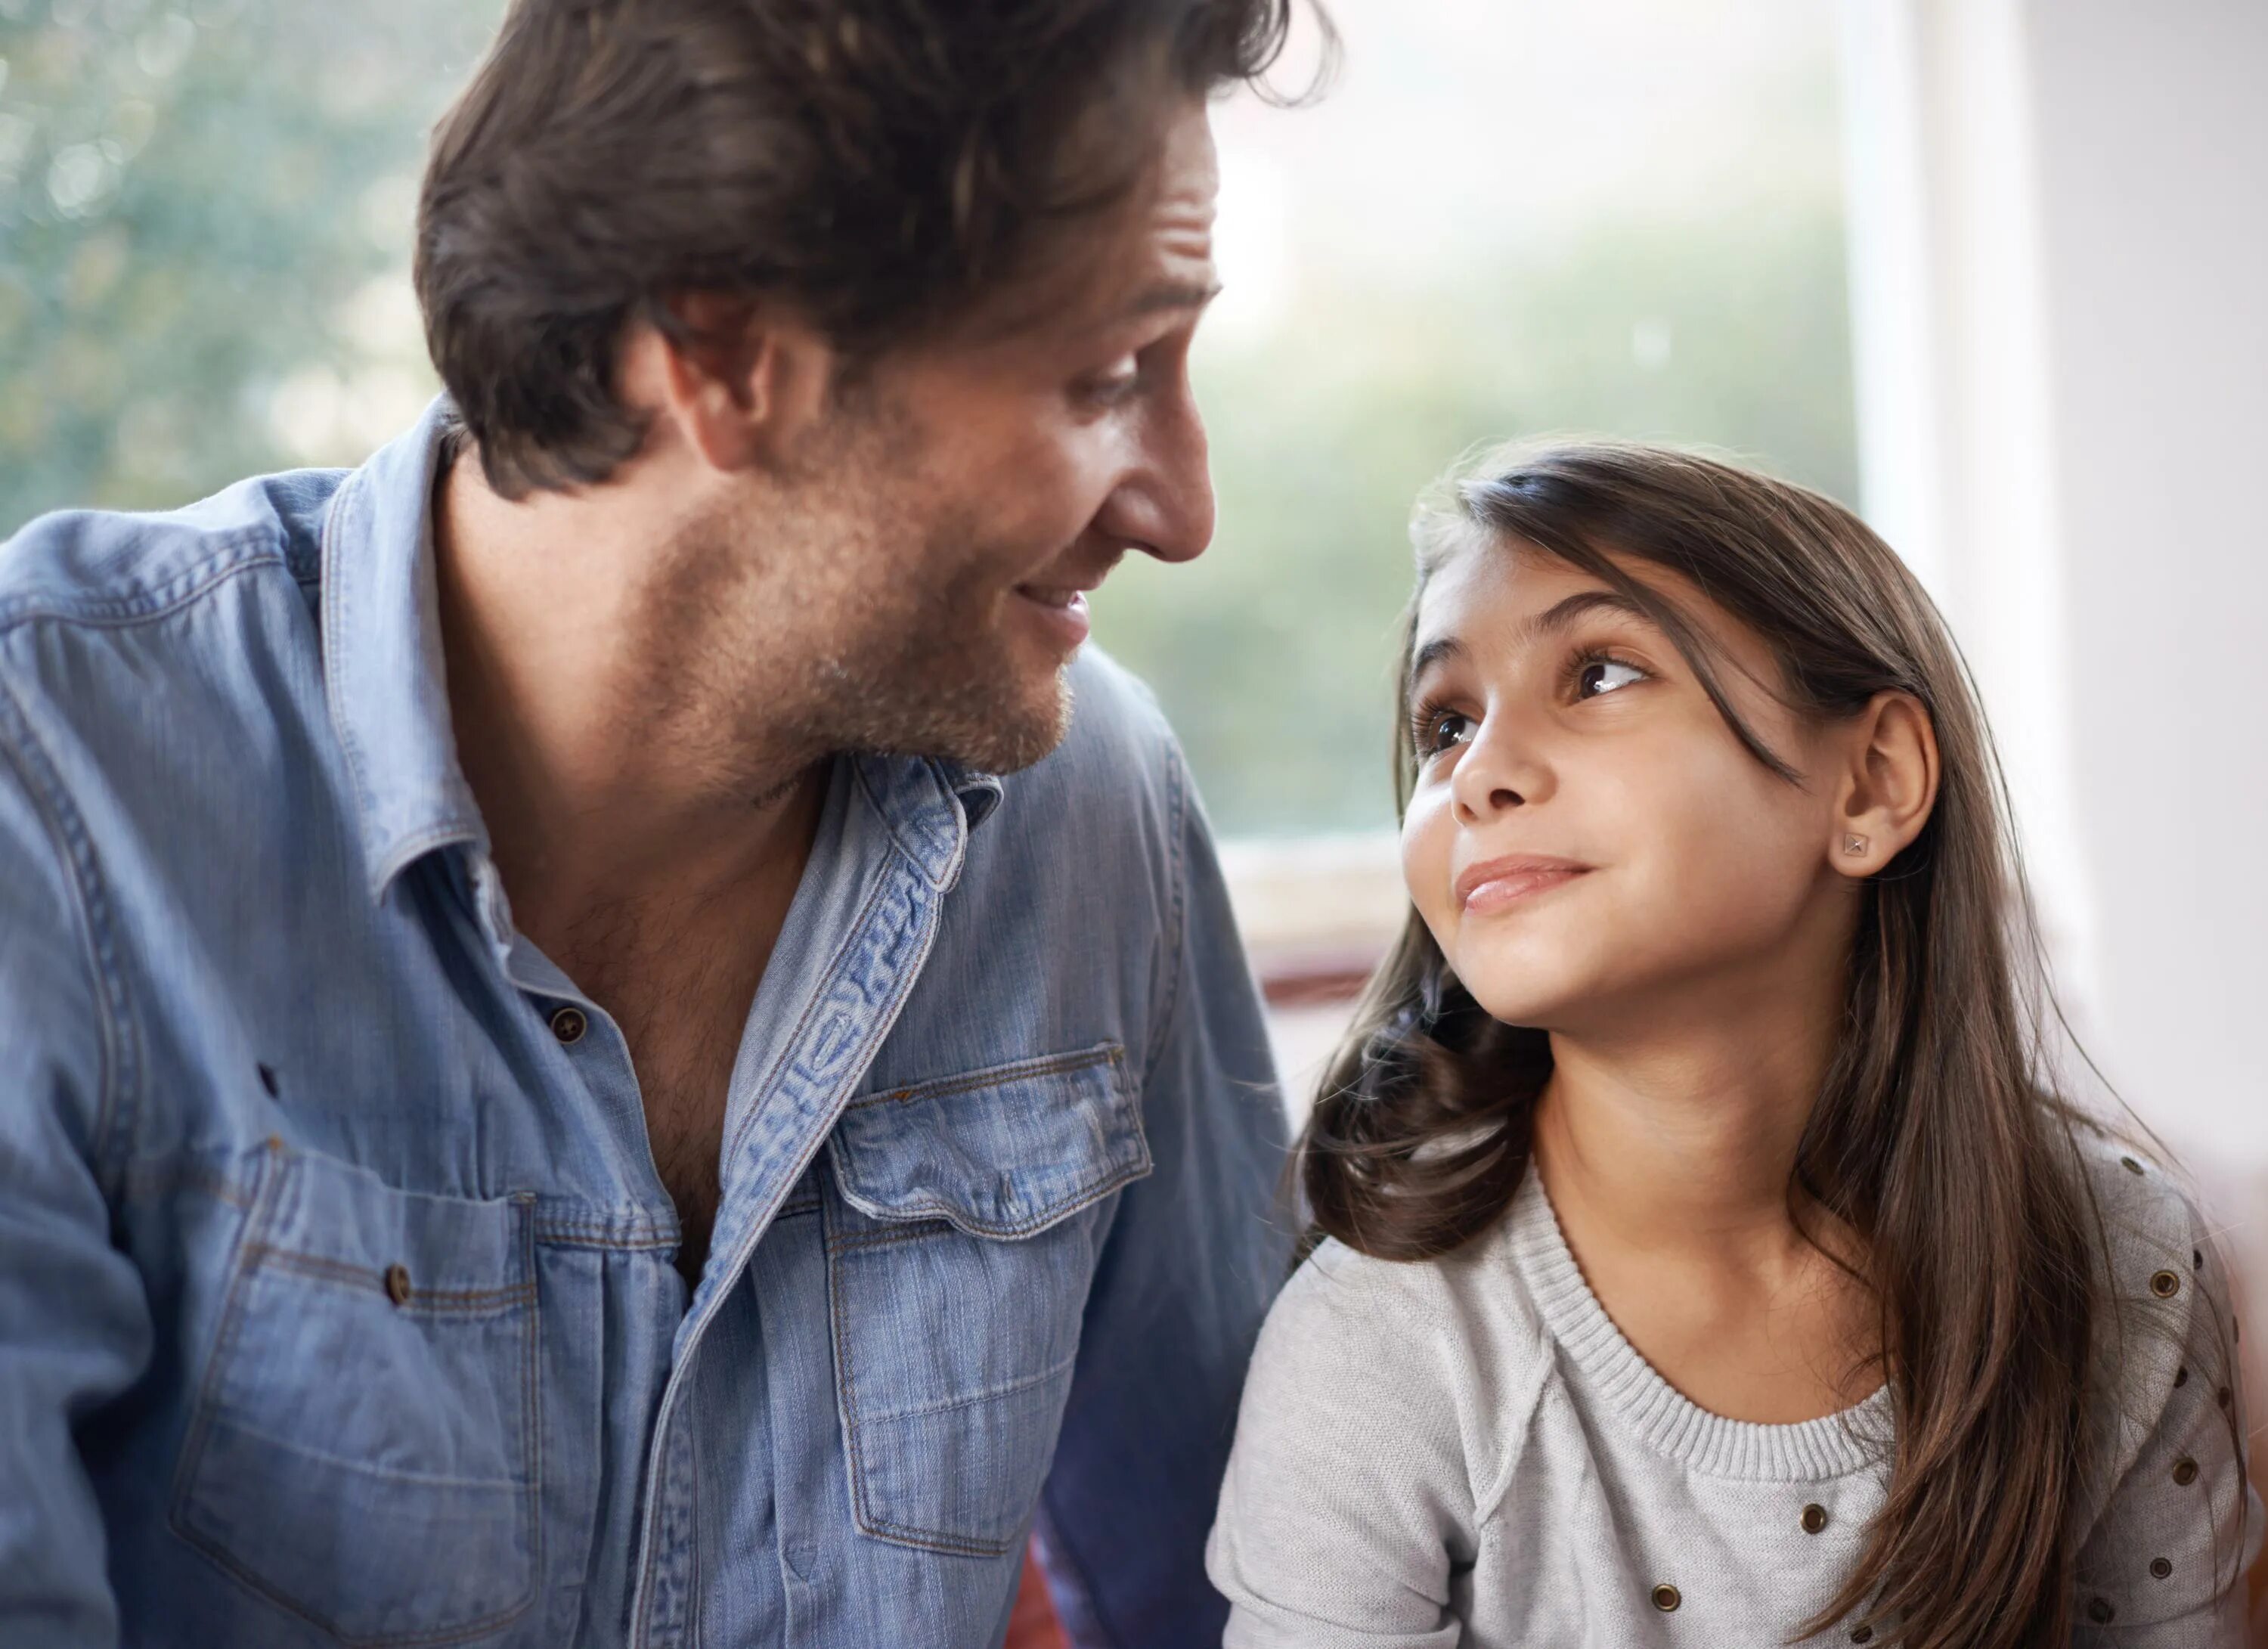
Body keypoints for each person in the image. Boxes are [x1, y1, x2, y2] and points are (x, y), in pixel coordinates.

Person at [0, 2, 1326, 1644]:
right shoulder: (49, 795)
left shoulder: (1089, 814)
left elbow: (1252, 1594)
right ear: (721, 351)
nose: (1182, 509)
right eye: (1107, 374)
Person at [1207, 442, 2262, 1647]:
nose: (1481, 772)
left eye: (1597, 672)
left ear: (1870, 782)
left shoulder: (2124, 1266)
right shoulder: (1379, 1354)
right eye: (1446, 722)